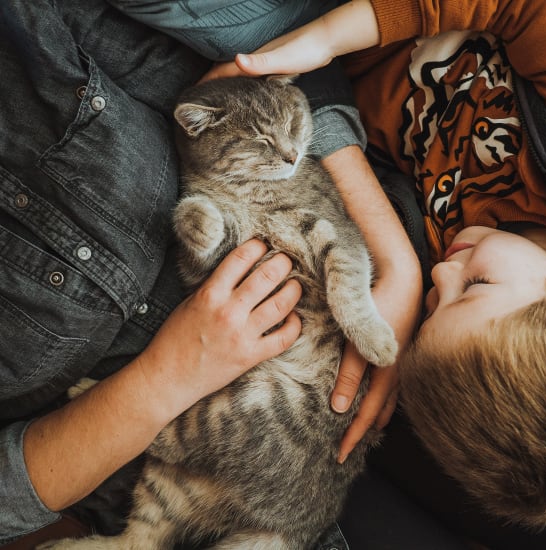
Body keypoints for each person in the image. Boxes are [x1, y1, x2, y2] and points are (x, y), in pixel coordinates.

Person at [0, 1, 422, 547]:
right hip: (165, 464)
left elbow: (264, 55)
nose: (292, 152)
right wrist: (161, 385)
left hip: (322, 404)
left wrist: (395, 264)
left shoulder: (32, 31)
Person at [206, 0, 546, 543]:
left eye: (435, 308)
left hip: (310, 66)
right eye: (476, 286)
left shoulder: (446, 253)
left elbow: (329, 134)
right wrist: (327, 36)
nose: (441, 277)